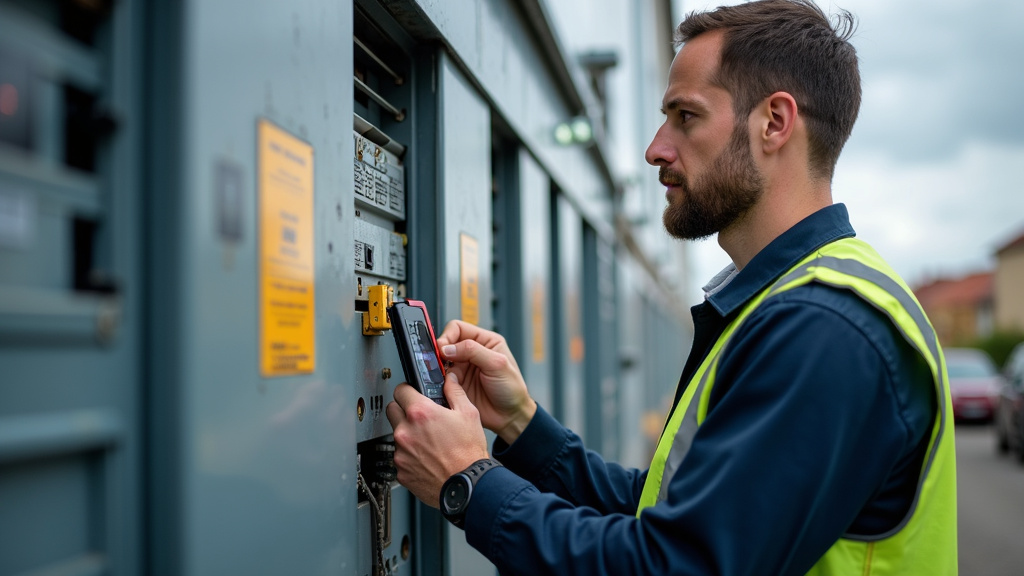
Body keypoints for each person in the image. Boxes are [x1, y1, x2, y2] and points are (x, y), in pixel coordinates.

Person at [385, 0, 957, 574]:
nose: (655, 148)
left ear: (775, 123)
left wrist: (468, 481)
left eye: (685, 116)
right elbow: (667, 514)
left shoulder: (825, 328)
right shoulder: (792, 304)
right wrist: (520, 424)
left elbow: (676, 564)